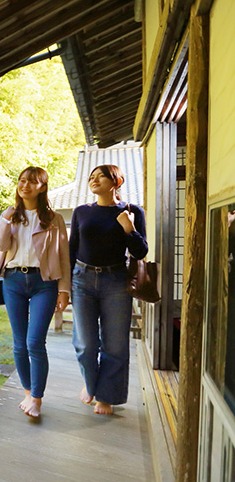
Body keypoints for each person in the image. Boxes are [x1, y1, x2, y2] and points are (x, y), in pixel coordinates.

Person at [69, 164, 148, 415]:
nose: (93, 180)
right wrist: (64, 286)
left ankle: (105, 396)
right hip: (82, 279)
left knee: (114, 344)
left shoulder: (132, 211)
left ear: (116, 182)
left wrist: (129, 228)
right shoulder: (81, 212)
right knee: (85, 342)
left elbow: (141, 252)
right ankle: (91, 384)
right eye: (91, 177)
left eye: (100, 176)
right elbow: (72, 249)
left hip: (115, 280)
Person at [0, 166, 71, 418]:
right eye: (22, 180)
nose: (25, 185)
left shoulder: (54, 219)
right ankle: (27, 392)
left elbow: (63, 257)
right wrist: (5, 220)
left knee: (35, 341)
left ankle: (37, 398)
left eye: (32, 182)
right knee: (19, 343)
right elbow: (0, 245)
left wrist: (64, 290)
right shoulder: (10, 215)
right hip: (13, 281)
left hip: (43, 283)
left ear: (43, 187)